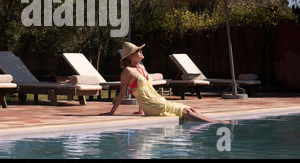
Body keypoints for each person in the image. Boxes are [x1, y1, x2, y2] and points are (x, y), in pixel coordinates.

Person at [101, 42, 235, 124]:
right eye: (138, 50)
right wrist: (111, 112)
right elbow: (122, 93)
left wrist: (140, 110)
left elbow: (145, 88)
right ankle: (218, 122)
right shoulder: (127, 72)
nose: (141, 51)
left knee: (190, 109)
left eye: (141, 50)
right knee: (184, 111)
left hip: (156, 100)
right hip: (152, 105)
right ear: (131, 56)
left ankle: (215, 121)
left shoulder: (142, 68)